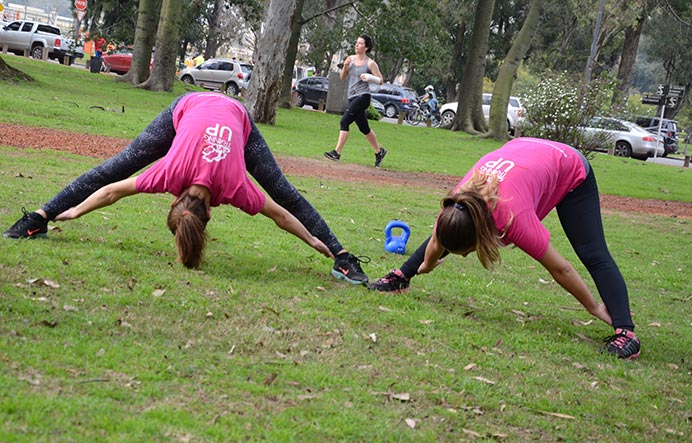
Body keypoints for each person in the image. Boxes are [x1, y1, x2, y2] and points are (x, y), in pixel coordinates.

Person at [3, 92, 370, 283]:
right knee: (284, 191)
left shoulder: (212, 183)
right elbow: (282, 213)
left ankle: (38, 219)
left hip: (230, 113)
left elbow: (112, 189)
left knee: (113, 168)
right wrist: (319, 244)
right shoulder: (210, 183)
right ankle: (343, 258)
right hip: (189, 109)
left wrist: (70, 211)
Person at [368, 137, 640, 360]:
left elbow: (560, 268)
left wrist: (593, 307)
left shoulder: (514, 220)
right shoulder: (456, 204)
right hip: (524, 152)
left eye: (467, 252)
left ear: (485, 236)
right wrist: (423, 267)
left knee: (592, 252)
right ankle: (400, 277)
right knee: (457, 230)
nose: (464, 256)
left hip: (567, 166)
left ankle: (626, 333)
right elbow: (440, 239)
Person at [324, 34, 388, 168]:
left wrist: (369, 76)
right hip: (352, 96)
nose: (356, 45)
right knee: (364, 128)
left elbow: (380, 80)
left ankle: (337, 152)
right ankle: (379, 151)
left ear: (366, 47)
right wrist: (346, 67)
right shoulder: (350, 59)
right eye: (356, 43)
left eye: (360, 43)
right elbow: (342, 77)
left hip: (363, 96)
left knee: (344, 121)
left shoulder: (370, 63)